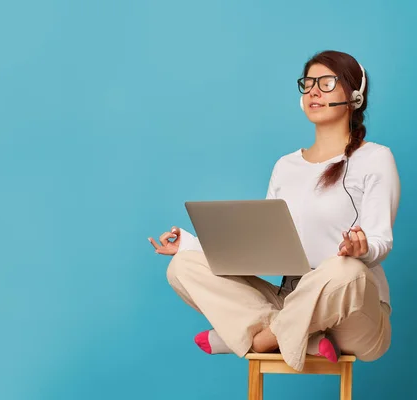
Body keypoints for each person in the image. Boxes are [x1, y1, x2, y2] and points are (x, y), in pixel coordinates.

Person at [148, 50, 401, 372]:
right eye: (308, 83)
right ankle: (298, 336)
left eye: (326, 82)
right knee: (182, 267)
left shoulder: (375, 158)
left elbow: (381, 241)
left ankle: (257, 339)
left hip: (354, 310)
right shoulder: (286, 166)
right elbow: (265, 248)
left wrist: (360, 251)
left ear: (354, 96)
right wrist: (192, 245)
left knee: (343, 270)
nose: (313, 91)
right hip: (291, 299)